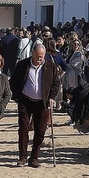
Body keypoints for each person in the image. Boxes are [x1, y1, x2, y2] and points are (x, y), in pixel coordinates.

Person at [13, 41, 61, 169]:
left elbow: (56, 83)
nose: (40, 58)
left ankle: (34, 158)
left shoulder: (50, 66)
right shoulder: (23, 65)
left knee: (40, 131)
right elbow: (13, 81)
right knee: (24, 128)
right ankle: (22, 156)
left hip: (42, 103)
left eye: (42, 56)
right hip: (25, 101)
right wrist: (17, 97)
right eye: (37, 56)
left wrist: (52, 97)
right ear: (32, 53)